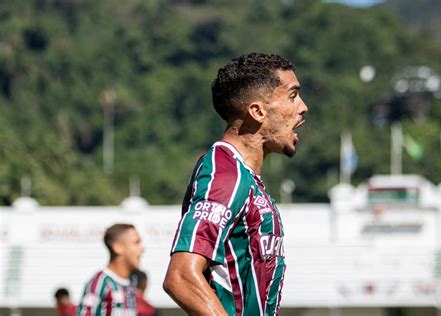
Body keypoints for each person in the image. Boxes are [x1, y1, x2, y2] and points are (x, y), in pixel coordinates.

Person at [163, 53, 308, 316]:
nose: (303, 107)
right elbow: (181, 276)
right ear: (257, 111)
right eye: (292, 95)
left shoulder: (245, 177)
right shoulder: (226, 173)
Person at [77, 223, 145, 316]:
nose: (142, 248)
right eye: (136, 242)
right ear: (118, 247)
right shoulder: (100, 283)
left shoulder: (132, 282)